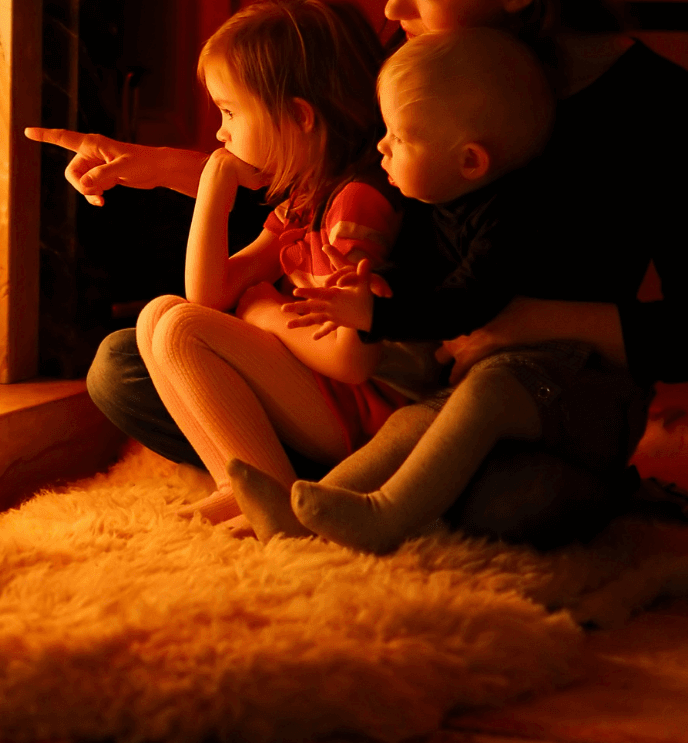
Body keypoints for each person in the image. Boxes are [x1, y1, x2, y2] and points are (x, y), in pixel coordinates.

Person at [34, 0, 688, 548]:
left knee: (522, 499)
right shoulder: (414, 54)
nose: (393, 9)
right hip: (384, 376)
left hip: (527, 392)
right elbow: (328, 189)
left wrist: (518, 323)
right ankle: (348, 484)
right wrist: (160, 169)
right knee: (125, 365)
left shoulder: (651, 102)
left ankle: (356, 483)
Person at [228, 27, 644, 552]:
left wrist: (375, 317)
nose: (380, 146)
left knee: (485, 402)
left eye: (400, 138)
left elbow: (466, 303)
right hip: (495, 373)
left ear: (470, 160)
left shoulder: (512, 219)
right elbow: (420, 273)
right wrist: (376, 285)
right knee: (412, 421)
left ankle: (384, 516)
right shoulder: (437, 201)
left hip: (570, 384)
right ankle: (301, 513)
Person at [126, 0, 407, 528]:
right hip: (321, 393)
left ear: (299, 116)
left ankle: (272, 492)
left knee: (181, 327)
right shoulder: (305, 198)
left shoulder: (357, 202)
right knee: (159, 315)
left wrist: (261, 312)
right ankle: (238, 486)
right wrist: (215, 183)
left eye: (231, 112)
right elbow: (207, 294)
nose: (220, 131)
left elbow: (355, 358)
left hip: (364, 412)